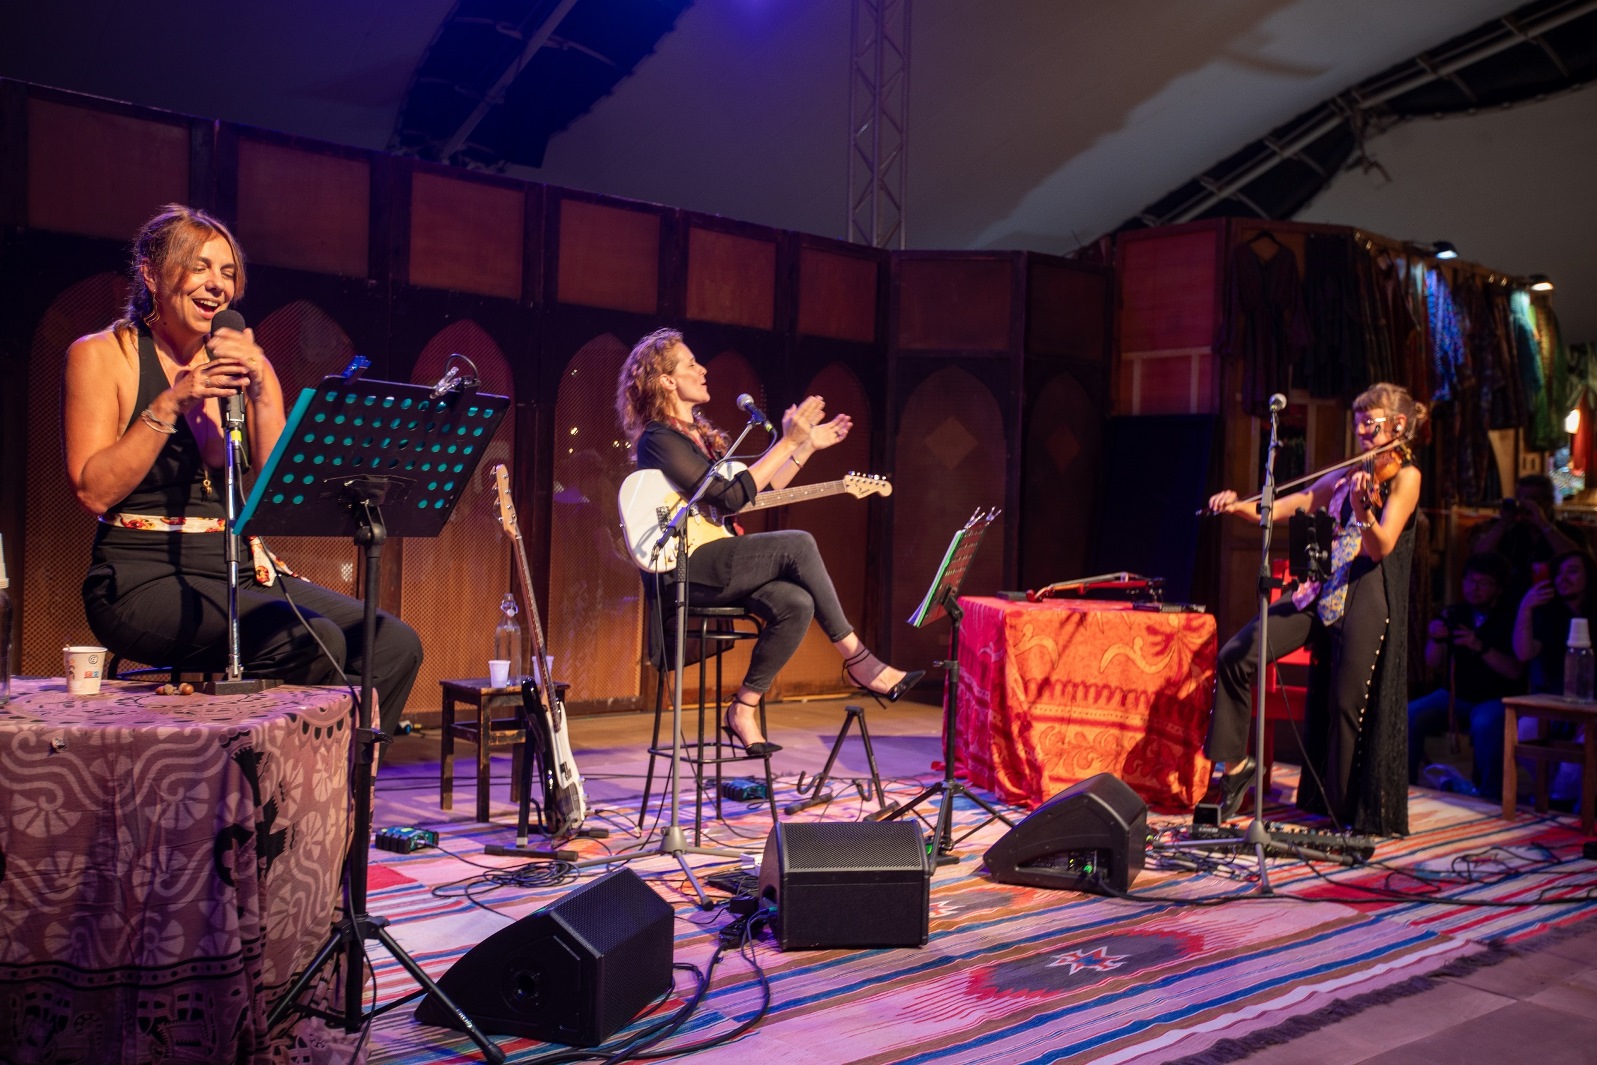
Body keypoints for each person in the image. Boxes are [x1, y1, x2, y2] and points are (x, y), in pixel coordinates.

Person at [64, 204, 422, 734]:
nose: (217, 285)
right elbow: (94, 491)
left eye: (228, 273)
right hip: (141, 578)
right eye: (200, 267)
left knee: (392, 643)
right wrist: (171, 402)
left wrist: (261, 392)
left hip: (237, 567)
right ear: (150, 272)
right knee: (307, 638)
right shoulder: (102, 355)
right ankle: (262, 797)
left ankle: (337, 801)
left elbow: (277, 495)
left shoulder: (250, 364)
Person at [615, 327, 922, 754]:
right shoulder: (659, 438)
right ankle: (859, 661)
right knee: (798, 543)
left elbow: (763, 484)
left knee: (796, 603)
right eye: (690, 364)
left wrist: (804, 447)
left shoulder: (694, 438)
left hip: (714, 555)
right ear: (666, 380)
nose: (703, 370)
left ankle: (743, 707)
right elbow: (730, 496)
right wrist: (788, 441)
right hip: (687, 567)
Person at [1204, 383, 1425, 835]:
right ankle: (1236, 768)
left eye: (1372, 421)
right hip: (1319, 591)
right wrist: (1243, 508)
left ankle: (1341, 812)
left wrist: (1363, 508)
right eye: (1359, 421)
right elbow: (1298, 501)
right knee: (1235, 656)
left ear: (1398, 425)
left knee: (1345, 706)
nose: (1362, 429)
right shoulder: (1348, 474)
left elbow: (1381, 546)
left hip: (1365, 592)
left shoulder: (1406, 477)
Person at [1406, 552, 1524, 799]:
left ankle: (1490, 795)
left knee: (1484, 722)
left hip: (1498, 698)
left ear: (1498, 588)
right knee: (1411, 713)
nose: (1474, 588)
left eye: (1483, 583)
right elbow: (1433, 661)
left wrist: (1478, 646)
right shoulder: (1455, 613)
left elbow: (1515, 670)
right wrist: (1435, 639)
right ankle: (1404, 783)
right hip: (1455, 696)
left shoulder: (1510, 616)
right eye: (1470, 581)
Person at [1468, 473, 1588, 603]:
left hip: (1557, 602)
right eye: (1521, 499)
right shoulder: (1511, 531)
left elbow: (1577, 559)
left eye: (1533, 500)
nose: (1526, 505)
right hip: (1513, 603)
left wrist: (1543, 524)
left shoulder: (1569, 532)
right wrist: (1503, 523)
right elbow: (1478, 556)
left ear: (1549, 501)